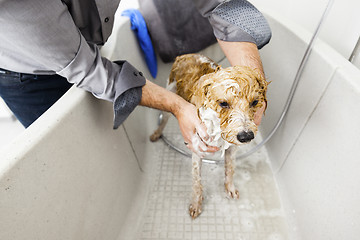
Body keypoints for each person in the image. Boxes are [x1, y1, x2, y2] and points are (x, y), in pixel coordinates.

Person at [0, 0, 271, 155]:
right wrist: (178, 105)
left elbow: (219, 3)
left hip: (82, 47)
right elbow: (90, 71)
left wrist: (253, 85)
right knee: (66, 154)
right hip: (28, 77)